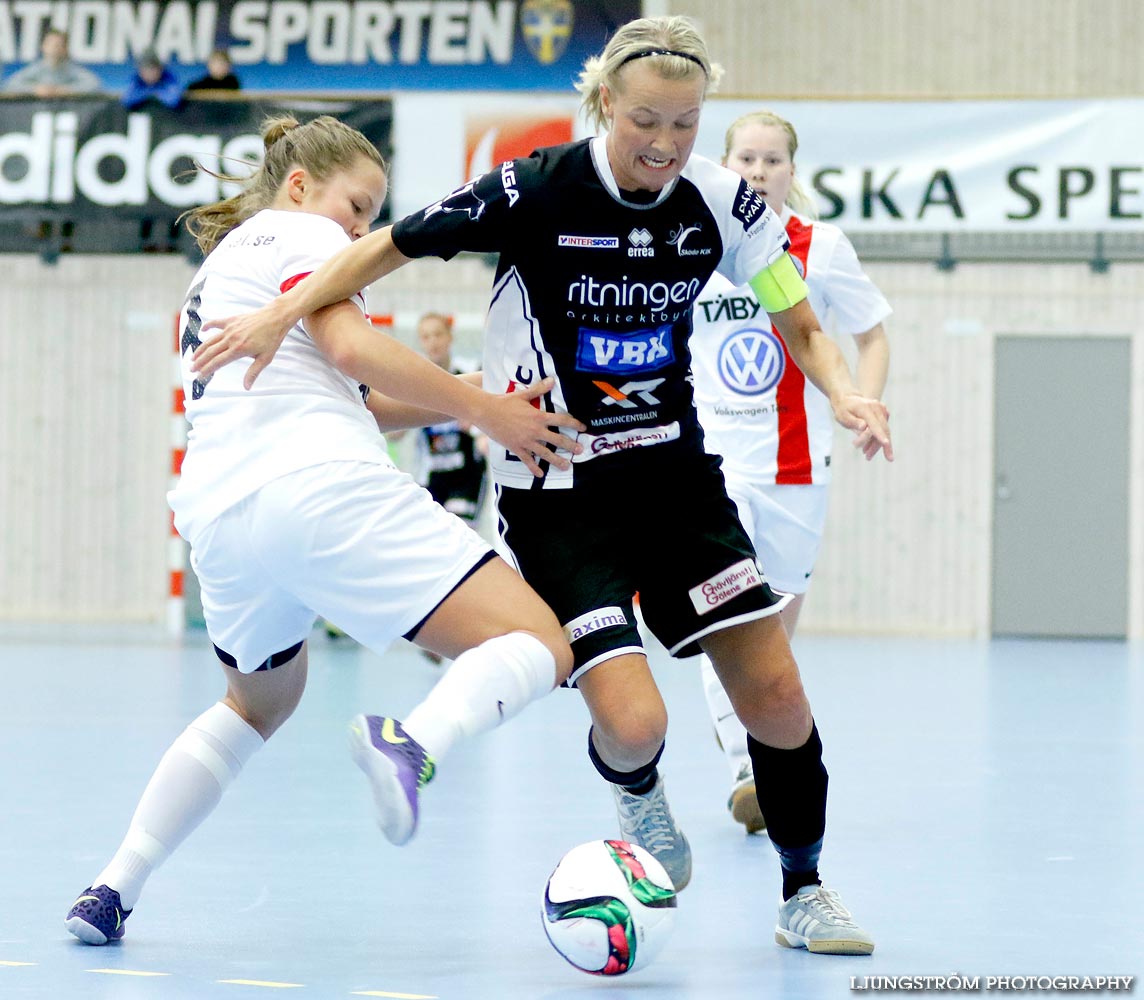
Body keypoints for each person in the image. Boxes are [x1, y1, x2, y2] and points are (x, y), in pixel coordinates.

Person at [190, 16, 892, 956]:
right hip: (559, 488)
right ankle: (637, 794)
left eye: (686, 124)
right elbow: (383, 246)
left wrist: (845, 389)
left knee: (776, 696)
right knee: (636, 725)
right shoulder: (532, 187)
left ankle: (804, 890)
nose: (666, 143)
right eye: (648, 119)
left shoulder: (724, 203)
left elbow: (799, 320)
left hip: (677, 478)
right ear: (606, 103)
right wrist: (283, 310)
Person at [64, 114, 584, 946]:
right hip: (315, 485)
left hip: (221, 520)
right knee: (539, 642)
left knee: (257, 701)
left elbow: (362, 399)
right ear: (302, 185)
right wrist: (487, 408)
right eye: (357, 205)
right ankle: (411, 742)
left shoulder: (225, 267)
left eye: (375, 214)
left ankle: (112, 886)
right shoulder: (302, 233)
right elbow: (350, 350)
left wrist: (478, 404)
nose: (363, 230)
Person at [690, 110, 891, 835]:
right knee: (724, 614)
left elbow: (869, 333)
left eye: (773, 161)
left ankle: (755, 747)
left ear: (792, 171)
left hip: (798, 466)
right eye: (746, 158)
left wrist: (863, 398)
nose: (758, 172)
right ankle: (750, 766)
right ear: (725, 162)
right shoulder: (695, 240)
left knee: (770, 635)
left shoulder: (822, 247)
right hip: (711, 460)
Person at [411, 312, 489, 524]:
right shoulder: (416, 381)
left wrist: (480, 428)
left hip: (466, 475)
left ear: (449, 337)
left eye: (438, 334)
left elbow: (490, 416)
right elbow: (394, 436)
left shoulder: (471, 372)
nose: (433, 342)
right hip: (431, 478)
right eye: (426, 337)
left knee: (459, 536)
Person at [1, 28, 101, 96]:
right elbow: (10, 85)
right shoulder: (35, 68)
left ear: (65, 48)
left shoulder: (71, 69)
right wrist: (35, 89)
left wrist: (65, 90)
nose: (54, 49)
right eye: (51, 44)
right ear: (43, 46)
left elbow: (93, 84)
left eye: (58, 45)